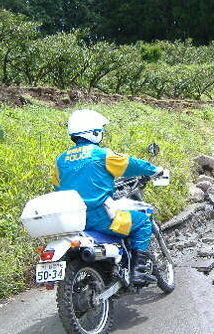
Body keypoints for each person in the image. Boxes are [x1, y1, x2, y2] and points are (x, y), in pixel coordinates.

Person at [52, 109, 161, 286]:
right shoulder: (101, 155)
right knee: (142, 223)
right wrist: (154, 170)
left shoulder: (61, 160)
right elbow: (130, 164)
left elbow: (57, 186)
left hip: (72, 221)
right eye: (100, 130)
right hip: (100, 219)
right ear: (94, 132)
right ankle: (138, 272)